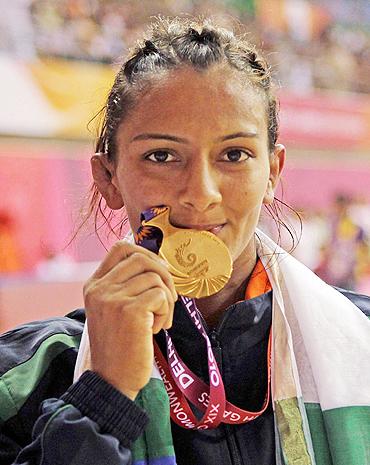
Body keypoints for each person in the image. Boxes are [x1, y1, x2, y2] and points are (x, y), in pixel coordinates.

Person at [0, 17, 369, 465]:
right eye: (162, 156)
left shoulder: (359, 338)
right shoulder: (24, 377)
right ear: (108, 178)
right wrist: (100, 398)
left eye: (234, 155)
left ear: (272, 171)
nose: (201, 193)